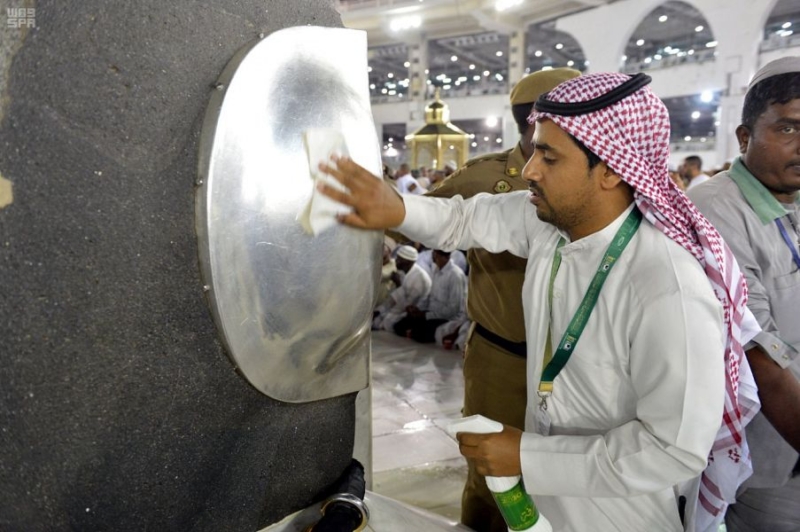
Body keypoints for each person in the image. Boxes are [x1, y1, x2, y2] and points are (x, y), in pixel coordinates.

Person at [317, 72, 760, 532]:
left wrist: (527, 455)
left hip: (620, 515)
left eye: (549, 157)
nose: (529, 170)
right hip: (545, 503)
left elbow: (674, 450)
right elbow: (466, 218)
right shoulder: (551, 225)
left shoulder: (666, 287)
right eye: (533, 152)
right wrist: (397, 208)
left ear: (610, 169)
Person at [426, 67, 580, 532]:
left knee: (565, 480)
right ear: (535, 123)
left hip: (577, 364)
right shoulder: (484, 178)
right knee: (494, 480)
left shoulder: (592, 170)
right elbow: (418, 221)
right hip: (504, 362)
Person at [689, 56, 800, 532]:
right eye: (788, 128)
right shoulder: (715, 209)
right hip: (774, 455)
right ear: (744, 136)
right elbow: (760, 358)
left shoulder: (792, 195)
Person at [393, 249, 467, 343]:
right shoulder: (436, 270)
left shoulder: (455, 275)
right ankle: (412, 332)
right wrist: (418, 309)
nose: (432, 254)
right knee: (399, 326)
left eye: (434, 252)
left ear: (437, 255)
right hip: (431, 313)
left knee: (421, 333)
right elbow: (430, 296)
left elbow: (453, 310)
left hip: (446, 317)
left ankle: (414, 332)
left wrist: (426, 315)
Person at [372, 245, 431, 332]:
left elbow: (406, 305)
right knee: (376, 316)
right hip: (400, 307)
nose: (396, 261)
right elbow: (394, 297)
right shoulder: (402, 270)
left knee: (387, 321)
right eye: (397, 258)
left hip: (413, 312)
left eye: (400, 260)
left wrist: (398, 284)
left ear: (409, 263)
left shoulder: (419, 279)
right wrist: (379, 310)